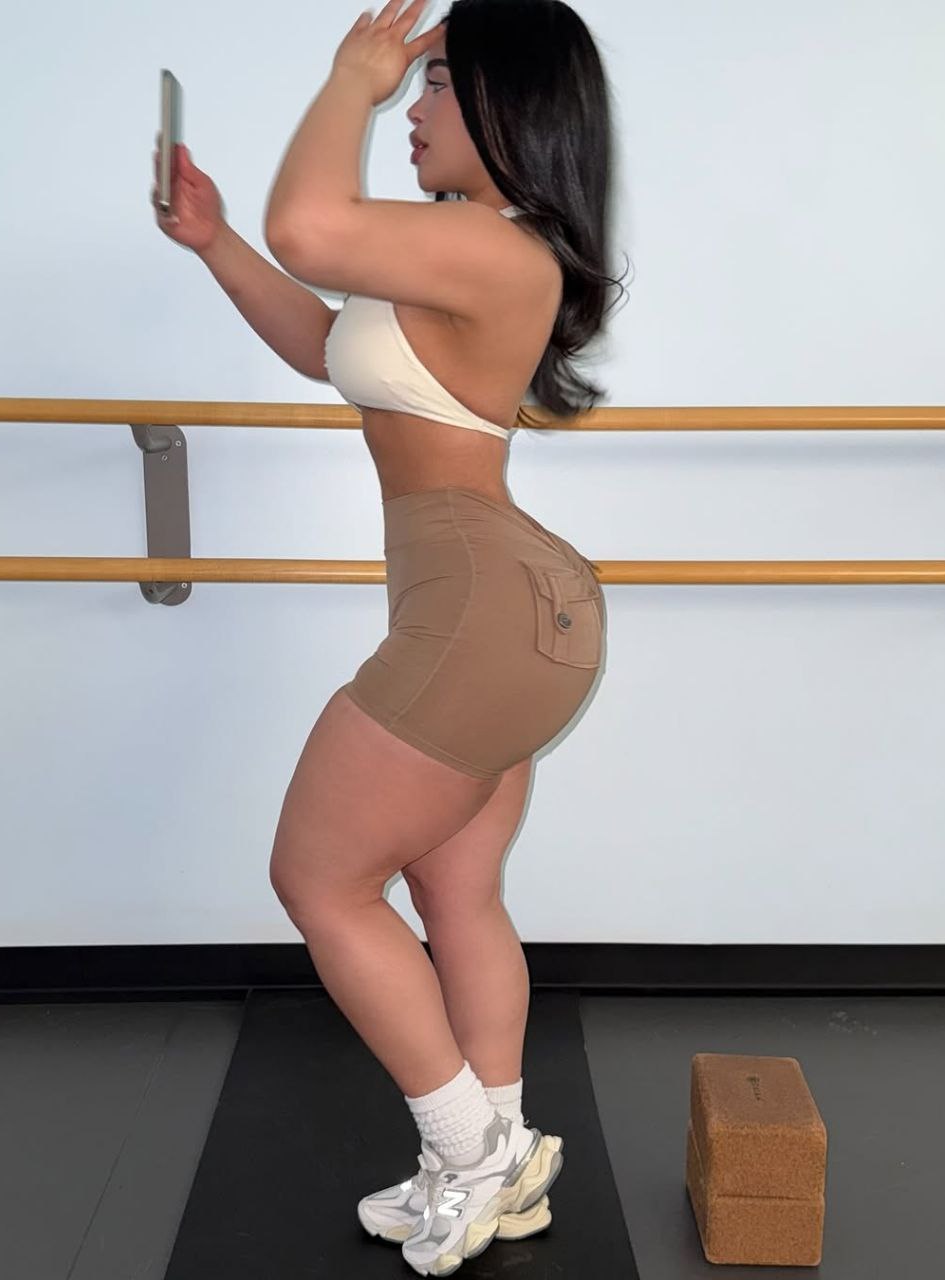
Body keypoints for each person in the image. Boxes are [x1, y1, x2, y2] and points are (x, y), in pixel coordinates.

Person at [153, 1, 625, 1272]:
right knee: (455, 890)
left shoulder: (492, 246)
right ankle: (496, 1162)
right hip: (505, 608)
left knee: (318, 879)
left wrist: (349, 80)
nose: (412, 108)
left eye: (434, 83)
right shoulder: (467, 249)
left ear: (507, 102)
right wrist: (213, 241)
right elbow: (328, 343)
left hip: (481, 608)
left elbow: (311, 227)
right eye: (409, 86)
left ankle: (472, 1155)